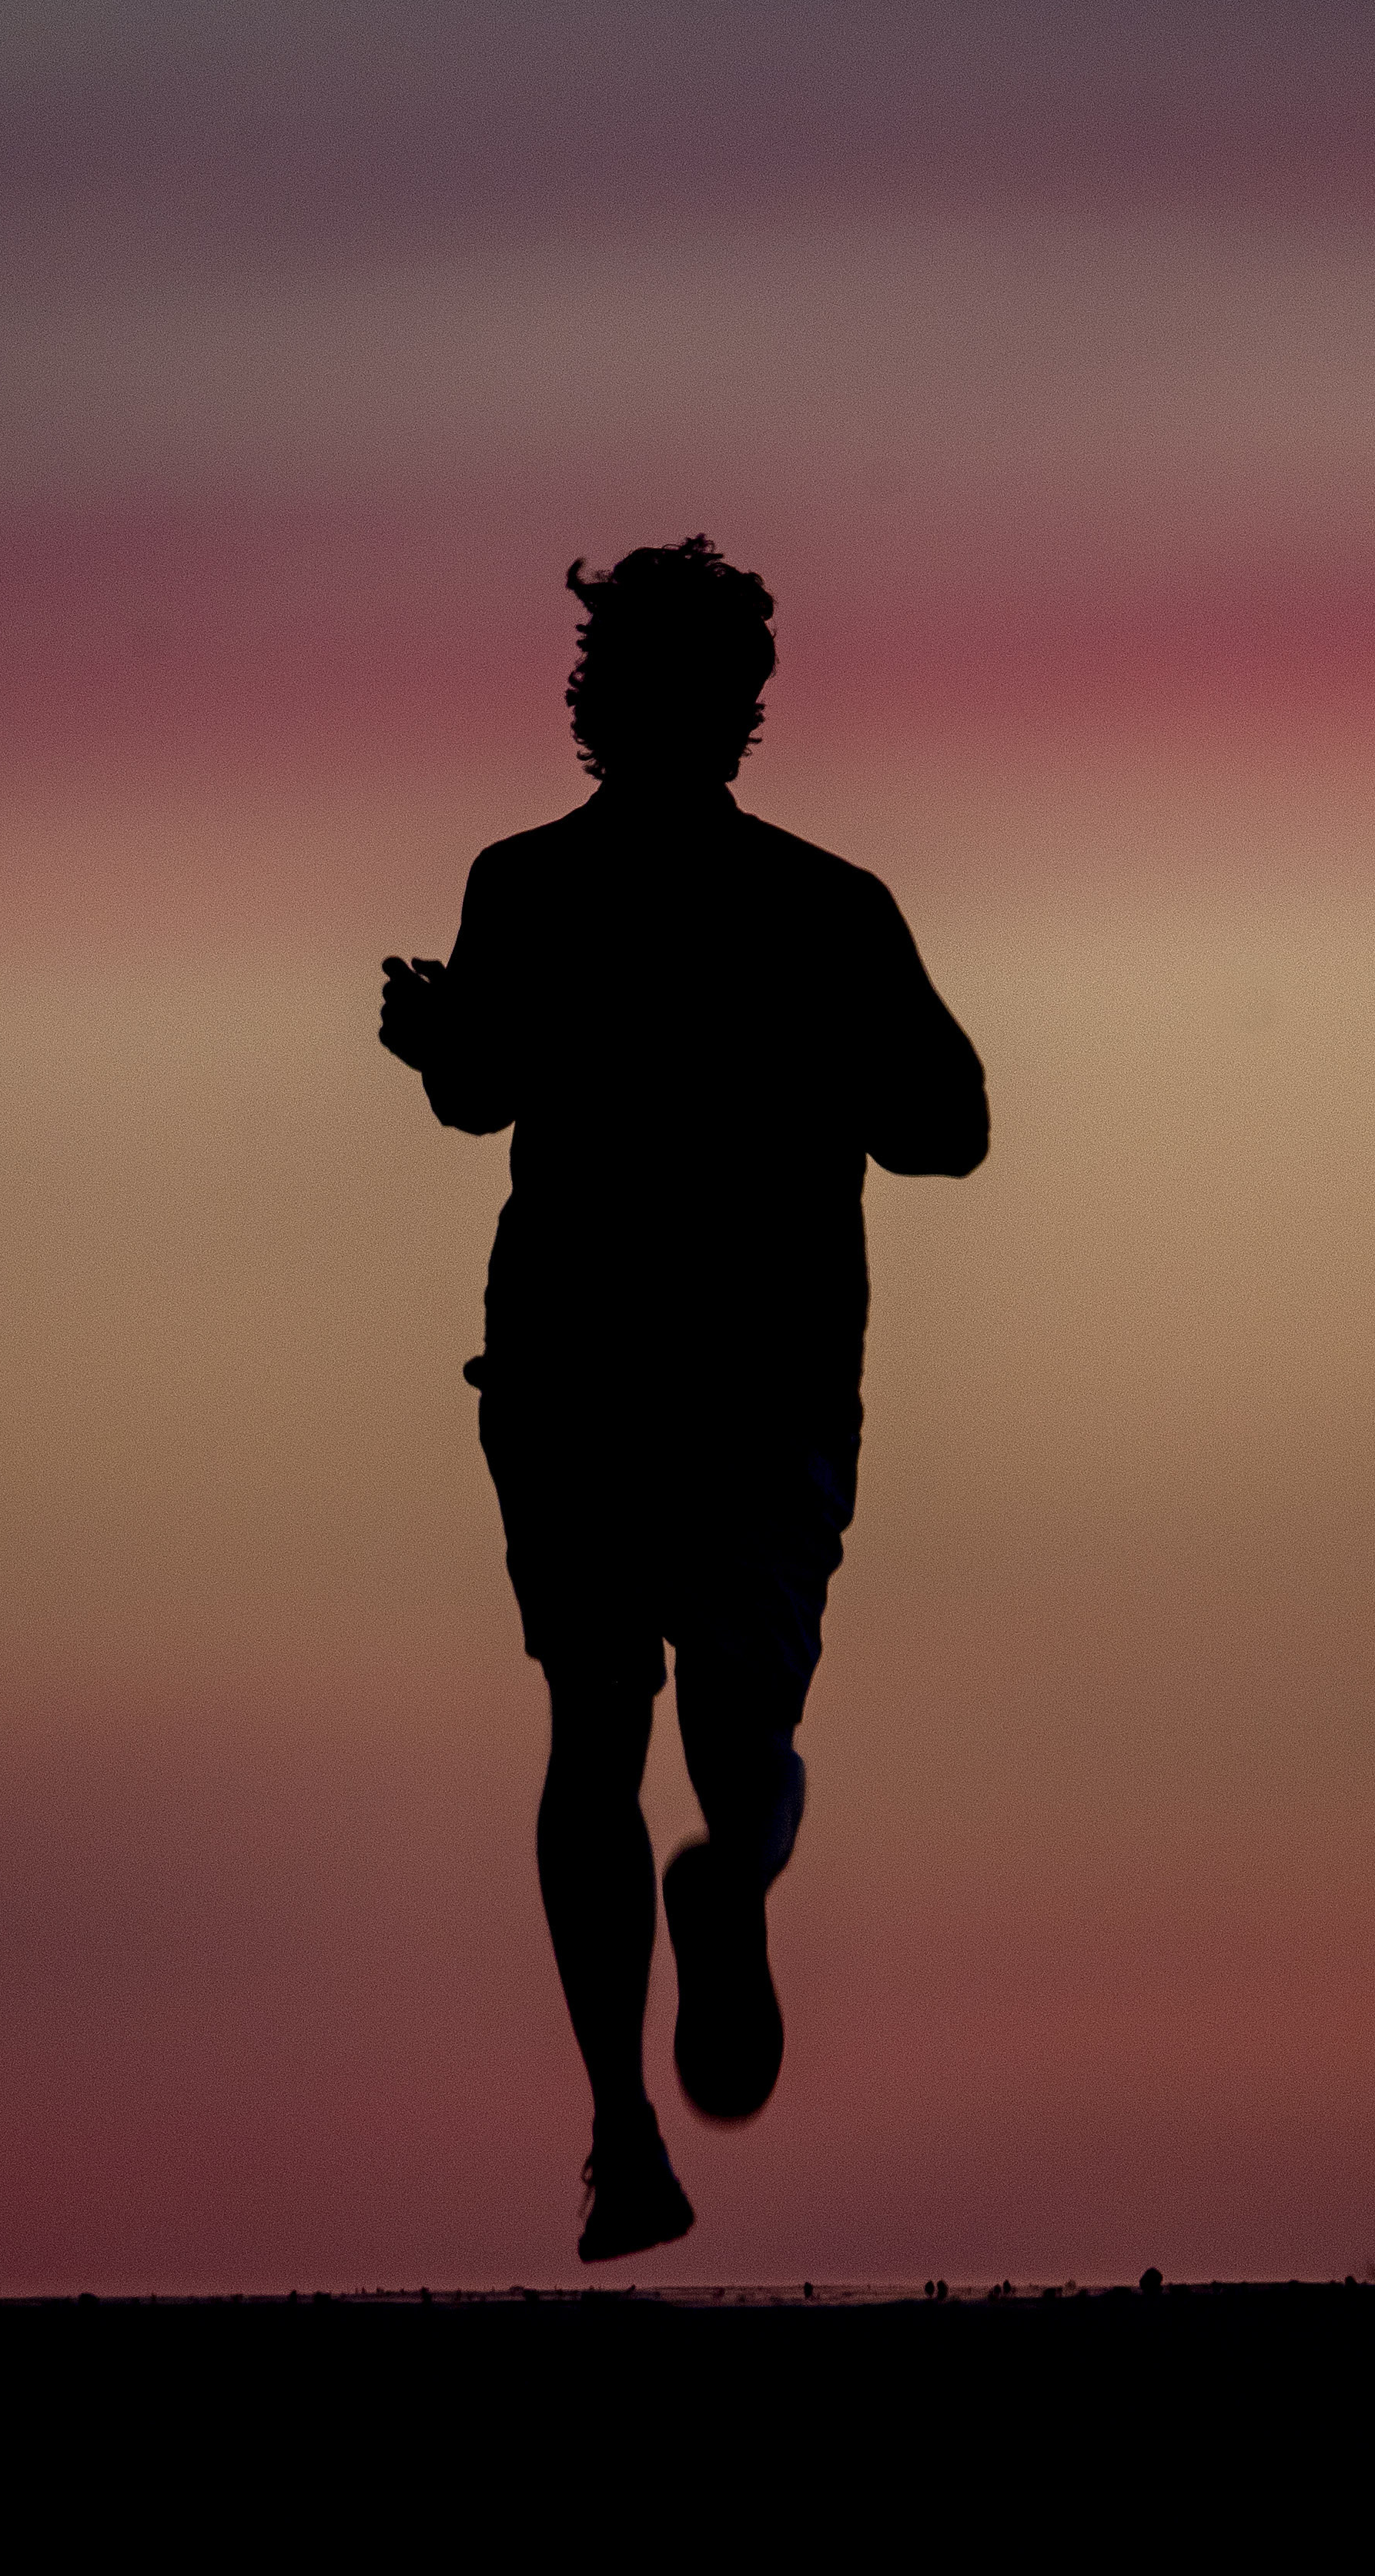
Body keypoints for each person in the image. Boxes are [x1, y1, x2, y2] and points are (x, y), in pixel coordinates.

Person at [377, 536, 989, 2265]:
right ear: (744, 710)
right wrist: (820, 1062)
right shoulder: (828, 907)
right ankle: (736, 1875)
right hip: (762, 1375)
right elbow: (948, 1127)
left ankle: (625, 2137)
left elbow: (477, 1100)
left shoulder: (526, 885)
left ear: (595, 704)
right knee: (739, 1732)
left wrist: (438, 1045)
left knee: (591, 1726)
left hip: (572, 1360)